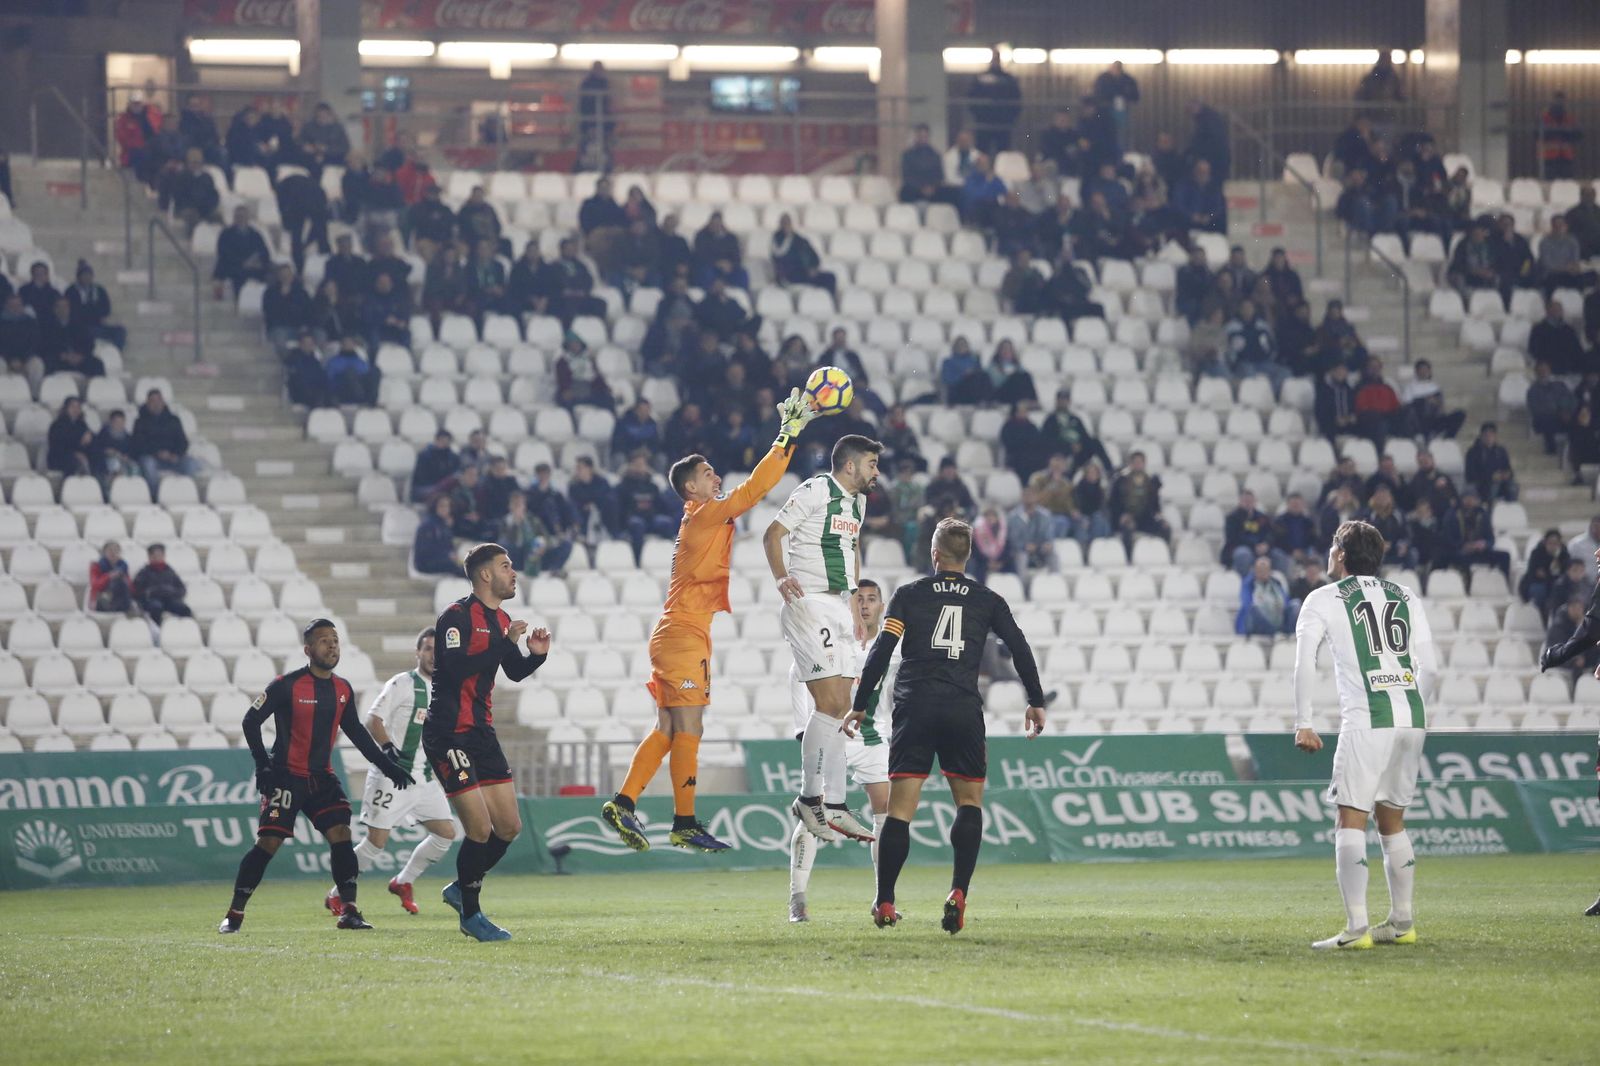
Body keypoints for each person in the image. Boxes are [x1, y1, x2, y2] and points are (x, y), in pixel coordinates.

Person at [600, 391, 816, 853]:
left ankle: (625, 803)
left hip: (679, 632)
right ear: (691, 490)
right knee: (690, 728)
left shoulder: (699, 518)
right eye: (706, 474)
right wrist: (787, 437)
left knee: (668, 728)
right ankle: (682, 821)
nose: (715, 476)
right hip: (683, 635)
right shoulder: (704, 515)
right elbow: (755, 490)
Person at [850, 517, 1045, 933]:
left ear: (934, 554)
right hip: (961, 707)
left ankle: (885, 901)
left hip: (915, 707)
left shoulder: (908, 595)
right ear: (968, 556)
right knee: (969, 804)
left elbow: (882, 649)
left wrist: (862, 703)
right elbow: (1019, 646)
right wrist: (1035, 700)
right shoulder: (987, 600)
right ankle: (958, 891)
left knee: (900, 811)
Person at [1292, 520, 1436, 950]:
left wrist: (1303, 721)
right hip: (1411, 716)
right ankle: (1402, 922)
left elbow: (1305, 662)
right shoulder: (1406, 595)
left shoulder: (1322, 599)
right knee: (1391, 819)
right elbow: (1431, 665)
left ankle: (1357, 928)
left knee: (1350, 816)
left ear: (1339, 555)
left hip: (1367, 717)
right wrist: (1419, 716)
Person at [219, 619, 414, 934]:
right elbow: (250, 721)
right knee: (268, 842)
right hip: (286, 776)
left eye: (335, 640)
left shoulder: (342, 689)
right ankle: (234, 914)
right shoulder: (286, 685)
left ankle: (349, 910)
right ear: (308, 650)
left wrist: (388, 765)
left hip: (321, 777)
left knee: (341, 834)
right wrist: (262, 763)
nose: (332, 645)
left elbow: (359, 735)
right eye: (324, 641)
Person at [423, 546, 551, 941]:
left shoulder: (502, 619)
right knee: (478, 829)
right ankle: (471, 915)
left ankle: (461, 888)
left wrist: (535, 657)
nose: (514, 573)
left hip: (481, 732)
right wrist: (503, 642)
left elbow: (510, 670)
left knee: (509, 827)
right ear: (484, 576)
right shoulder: (455, 616)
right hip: (448, 733)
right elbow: (457, 665)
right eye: (506, 566)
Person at [761, 434, 883, 842]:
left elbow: (853, 549)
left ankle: (834, 803)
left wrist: (855, 608)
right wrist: (782, 577)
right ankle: (810, 799)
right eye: (871, 464)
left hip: (837, 606)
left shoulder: (859, 503)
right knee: (831, 705)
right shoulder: (816, 489)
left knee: (843, 707)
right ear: (850, 466)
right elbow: (771, 534)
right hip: (809, 601)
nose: (876, 472)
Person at [321, 629, 455, 918]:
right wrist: (387, 749)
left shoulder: (447, 689)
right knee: (375, 844)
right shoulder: (403, 683)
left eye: (438, 649)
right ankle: (336, 895)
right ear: (417, 653)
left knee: (446, 834)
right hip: (394, 776)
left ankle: (403, 882)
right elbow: (373, 719)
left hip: (426, 778)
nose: (433, 655)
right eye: (428, 648)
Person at [786, 579, 897, 922]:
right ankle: (798, 898)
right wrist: (805, 729)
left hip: (872, 740)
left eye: (871, 599)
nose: (864, 605)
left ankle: (883, 897)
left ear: (881, 605)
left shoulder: (894, 647)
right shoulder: (835, 645)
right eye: (858, 599)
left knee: (887, 816)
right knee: (813, 814)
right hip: (834, 739)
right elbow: (800, 680)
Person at [131, 389, 199, 490]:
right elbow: (138, 444)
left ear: (163, 402)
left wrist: (176, 454)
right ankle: (154, 496)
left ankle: (186, 490)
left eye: (158, 400)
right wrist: (157, 453)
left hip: (173, 459)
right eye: (153, 401)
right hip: (153, 458)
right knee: (148, 464)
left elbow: (183, 442)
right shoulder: (140, 422)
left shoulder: (174, 420)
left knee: (192, 463)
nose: (156, 404)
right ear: (148, 403)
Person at [967, 56, 1022, 157]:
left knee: (1003, 153)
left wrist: (1010, 118)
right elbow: (972, 99)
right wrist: (978, 115)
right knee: (982, 152)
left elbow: (1016, 100)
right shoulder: (981, 78)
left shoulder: (1008, 79)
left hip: (1002, 123)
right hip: (984, 122)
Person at [213, 206, 271, 300]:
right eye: (238, 216)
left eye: (243, 216)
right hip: (232, 267)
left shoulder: (255, 234)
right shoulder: (226, 234)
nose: (241, 219)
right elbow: (223, 253)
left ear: (248, 218)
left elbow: (264, 252)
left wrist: (256, 261)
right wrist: (243, 262)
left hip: (253, 268)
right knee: (238, 275)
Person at [770, 215, 835, 298]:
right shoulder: (776, 240)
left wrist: (813, 267)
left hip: (805, 273)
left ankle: (827, 301)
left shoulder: (799, 240)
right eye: (784, 223)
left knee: (830, 278)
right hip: (790, 276)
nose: (786, 226)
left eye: (788, 223)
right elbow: (778, 260)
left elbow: (814, 256)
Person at [66, 263, 124, 351]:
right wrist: (91, 309)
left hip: (98, 325)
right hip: (79, 327)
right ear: (79, 276)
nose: (87, 277)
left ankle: (116, 352)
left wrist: (89, 310)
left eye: (89, 274)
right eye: (84, 275)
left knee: (120, 331)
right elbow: (73, 310)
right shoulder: (71, 291)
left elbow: (106, 309)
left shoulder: (99, 290)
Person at [1236, 555, 1295, 637]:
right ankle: (1274, 633)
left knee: (1295, 605)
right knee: (1254, 609)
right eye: (1260, 570)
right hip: (1258, 622)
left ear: (1270, 571)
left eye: (1265, 570)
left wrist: (1277, 606)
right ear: (1255, 570)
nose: (1263, 572)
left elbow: (1285, 601)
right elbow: (1247, 604)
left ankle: (1290, 635)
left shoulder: (1276, 583)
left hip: (1277, 616)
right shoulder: (1249, 584)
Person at [899, 123, 955, 204]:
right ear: (916, 136)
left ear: (928, 137)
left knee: (950, 192)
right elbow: (906, 176)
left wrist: (932, 187)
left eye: (925, 136)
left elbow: (940, 176)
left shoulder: (936, 155)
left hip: (933, 189)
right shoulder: (907, 155)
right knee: (905, 191)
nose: (922, 139)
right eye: (920, 136)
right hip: (914, 189)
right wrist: (921, 188)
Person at [1522, 529, 1571, 618]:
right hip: (1537, 583)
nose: (1553, 546)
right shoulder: (1537, 553)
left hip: (1556, 584)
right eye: (1550, 543)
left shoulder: (1564, 555)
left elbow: (1565, 573)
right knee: (1539, 590)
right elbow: (1534, 573)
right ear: (1545, 542)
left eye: (1555, 543)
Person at [1092, 61, 1139, 151]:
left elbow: (1135, 96)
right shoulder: (1103, 79)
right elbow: (1097, 95)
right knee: (1106, 134)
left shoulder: (1127, 80)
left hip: (1122, 112)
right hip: (1104, 113)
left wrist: (1125, 98)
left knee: (1122, 134)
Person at [1464, 423, 1517, 502]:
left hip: (1501, 484)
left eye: (1491, 435)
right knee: (1494, 485)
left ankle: (1511, 507)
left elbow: (1508, 469)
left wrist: (1506, 474)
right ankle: (1490, 507)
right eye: (1486, 435)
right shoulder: (1473, 452)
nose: (1489, 438)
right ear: (1481, 436)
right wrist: (1491, 476)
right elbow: (1470, 475)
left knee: (1512, 486)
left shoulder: (1501, 451)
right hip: (1482, 485)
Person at [1171, 158, 1225, 233]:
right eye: (1200, 171)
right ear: (1194, 171)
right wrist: (1191, 216)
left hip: (1209, 228)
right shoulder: (1183, 185)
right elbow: (1178, 206)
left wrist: (1209, 217)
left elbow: (1218, 208)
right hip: (1186, 227)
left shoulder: (1214, 188)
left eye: (1206, 172)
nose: (1203, 174)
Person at [577, 61, 614, 172]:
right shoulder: (587, 84)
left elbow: (608, 105)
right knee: (587, 149)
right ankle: (584, 169)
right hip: (590, 123)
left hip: (602, 124)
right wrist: (589, 125)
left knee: (604, 149)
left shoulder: (604, 83)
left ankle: (606, 169)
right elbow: (584, 106)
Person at [46, 397, 94, 477]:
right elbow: (58, 447)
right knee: (73, 462)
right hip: (60, 458)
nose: (76, 410)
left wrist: (88, 439)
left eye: (78, 407)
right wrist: (75, 452)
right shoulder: (57, 425)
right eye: (73, 407)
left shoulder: (81, 424)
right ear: (66, 408)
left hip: (79, 455)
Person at [1539, 90, 1581, 180]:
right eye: (1557, 101)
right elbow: (1537, 134)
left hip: (1566, 157)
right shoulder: (1545, 118)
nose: (1559, 104)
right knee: (1550, 184)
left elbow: (1578, 135)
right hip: (1549, 157)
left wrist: (1567, 134)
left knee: (1567, 184)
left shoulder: (1569, 118)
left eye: (1561, 101)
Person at [413, 497, 459, 575]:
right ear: (434, 507)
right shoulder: (427, 525)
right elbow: (426, 551)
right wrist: (447, 555)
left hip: (442, 559)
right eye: (442, 506)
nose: (445, 509)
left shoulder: (444, 524)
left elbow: (448, 545)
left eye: (447, 506)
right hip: (426, 563)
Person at [89, 540, 134, 614]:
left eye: (116, 550)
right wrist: (109, 576)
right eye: (110, 550)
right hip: (100, 599)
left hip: (120, 600)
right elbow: (95, 585)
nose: (113, 553)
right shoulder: (96, 566)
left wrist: (124, 578)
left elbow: (130, 588)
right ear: (104, 553)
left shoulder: (123, 566)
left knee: (120, 582)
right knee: (117, 581)